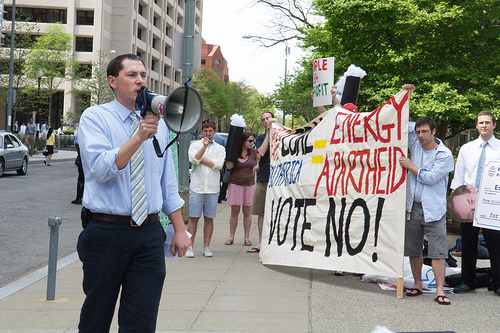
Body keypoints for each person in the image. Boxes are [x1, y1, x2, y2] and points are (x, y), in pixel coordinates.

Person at [77, 53, 190, 332]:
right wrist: (139, 136)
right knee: (96, 319)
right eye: (131, 75)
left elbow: (168, 184)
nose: (140, 81)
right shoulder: (95, 117)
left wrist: (179, 229)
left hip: (149, 234)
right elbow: (102, 169)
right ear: (113, 81)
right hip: (106, 233)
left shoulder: (160, 125)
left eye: (143, 75)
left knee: (141, 322)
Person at [399, 99, 454, 304]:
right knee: (413, 249)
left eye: (424, 132)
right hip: (412, 207)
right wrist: (406, 96)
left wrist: (410, 165)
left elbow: (429, 178)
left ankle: (440, 291)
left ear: (433, 131)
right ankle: (417, 284)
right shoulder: (416, 142)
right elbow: (402, 121)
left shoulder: (445, 154)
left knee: (438, 252)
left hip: (434, 210)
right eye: (418, 132)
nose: (420, 135)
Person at [450, 110, 500, 295]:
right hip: (469, 203)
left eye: (488, 122)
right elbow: (459, 177)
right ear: (476, 126)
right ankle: (467, 282)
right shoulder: (466, 149)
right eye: (481, 123)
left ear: (494, 125)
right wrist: (456, 203)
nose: (484, 126)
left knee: (495, 245)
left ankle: (497, 284)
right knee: (468, 244)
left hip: (492, 204)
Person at [185, 119, 226, 258]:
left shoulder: (220, 148)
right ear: (202, 132)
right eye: (205, 131)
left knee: (209, 218)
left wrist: (201, 160)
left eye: (210, 131)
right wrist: (203, 149)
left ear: (214, 132)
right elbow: (193, 160)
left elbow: (219, 165)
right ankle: (189, 246)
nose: (208, 134)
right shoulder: (195, 146)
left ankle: (206, 247)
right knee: (193, 218)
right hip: (197, 187)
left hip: (212, 189)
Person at [225, 130, 260, 247]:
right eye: (250, 141)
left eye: (253, 141)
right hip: (235, 184)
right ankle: (231, 237)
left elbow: (264, 160)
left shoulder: (254, 152)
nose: (252, 143)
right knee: (234, 212)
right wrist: (231, 153)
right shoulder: (235, 153)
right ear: (243, 142)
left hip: (249, 185)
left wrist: (254, 169)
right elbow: (229, 166)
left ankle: (246, 237)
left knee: (247, 212)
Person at [248, 112, 277, 253]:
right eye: (263, 120)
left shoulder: (282, 134)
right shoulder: (260, 138)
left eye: (268, 118)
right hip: (263, 179)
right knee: (261, 213)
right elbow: (262, 152)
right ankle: (261, 243)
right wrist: (268, 134)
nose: (266, 121)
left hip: (279, 180)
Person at [71, 132, 84, 204]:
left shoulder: (81, 133)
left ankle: (79, 198)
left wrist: (79, 156)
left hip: (83, 158)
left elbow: (77, 144)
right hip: (90, 159)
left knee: (81, 179)